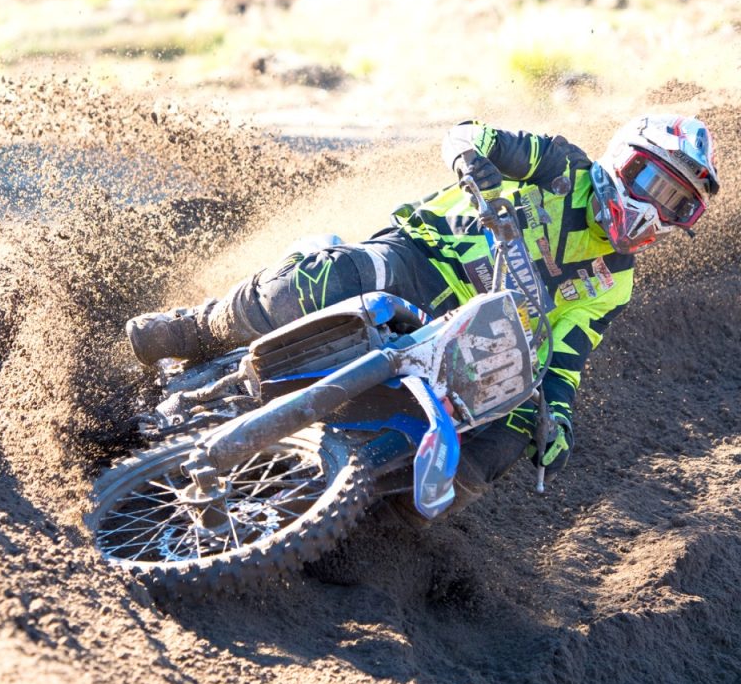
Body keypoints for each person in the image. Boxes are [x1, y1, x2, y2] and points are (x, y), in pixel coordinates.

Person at [126, 113, 719, 507]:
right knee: (331, 279)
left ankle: (370, 513)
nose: (655, 209)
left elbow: (566, 360)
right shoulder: (559, 165)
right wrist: (473, 163)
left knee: (510, 433)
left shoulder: (615, 283)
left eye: (677, 205)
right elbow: (468, 134)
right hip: (421, 261)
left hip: (476, 338)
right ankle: (191, 328)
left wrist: (556, 421)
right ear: (623, 160)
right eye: (651, 182)